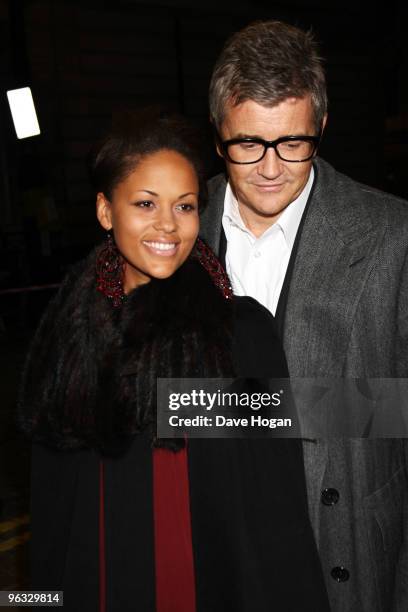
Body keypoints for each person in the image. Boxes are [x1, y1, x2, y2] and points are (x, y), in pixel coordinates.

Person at [17, 110, 329, 612]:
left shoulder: (239, 332)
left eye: (184, 207)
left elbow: (275, 505)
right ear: (105, 210)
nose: (167, 224)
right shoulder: (69, 332)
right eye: (145, 203)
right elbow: (56, 507)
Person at [200, 19, 408, 612]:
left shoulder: (392, 234)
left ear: (321, 127)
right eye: (247, 144)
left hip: (344, 554)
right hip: (217, 544)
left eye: (293, 143)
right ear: (218, 135)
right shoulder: (173, 229)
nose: (270, 167)